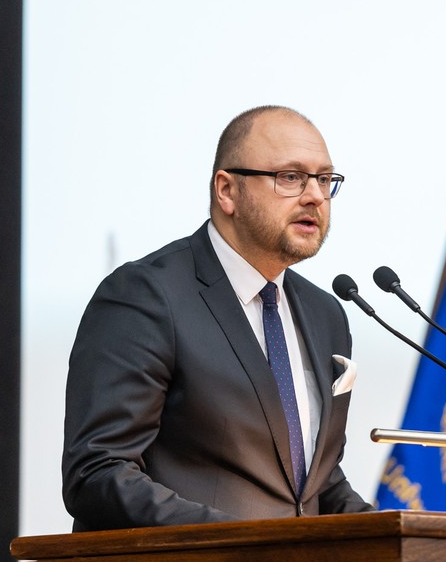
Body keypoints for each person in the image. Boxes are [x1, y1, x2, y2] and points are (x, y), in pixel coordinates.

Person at [62, 106, 374, 531]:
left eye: (324, 179)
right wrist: (244, 546)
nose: (316, 196)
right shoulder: (147, 296)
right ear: (227, 191)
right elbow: (98, 472)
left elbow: (312, 485)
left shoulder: (326, 314)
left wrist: (410, 535)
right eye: (291, 177)